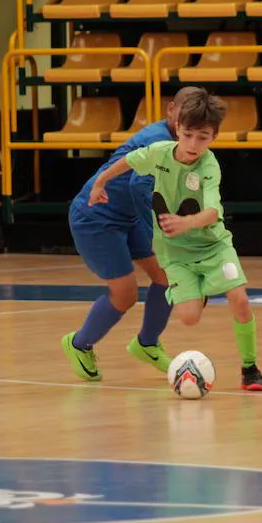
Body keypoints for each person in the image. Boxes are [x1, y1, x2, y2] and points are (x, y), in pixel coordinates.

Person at [88, 89, 262, 391]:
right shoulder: (159, 152)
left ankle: (250, 368)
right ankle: (197, 289)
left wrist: (187, 222)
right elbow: (127, 162)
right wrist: (99, 184)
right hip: (174, 253)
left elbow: (212, 212)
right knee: (188, 319)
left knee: (239, 299)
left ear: (213, 137)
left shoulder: (209, 166)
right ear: (177, 130)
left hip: (213, 246)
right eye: (187, 135)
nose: (193, 144)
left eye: (203, 137)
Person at [61, 87, 203, 382]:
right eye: (184, 117)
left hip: (130, 216)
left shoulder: (187, 146)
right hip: (96, 216)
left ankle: (146, 343)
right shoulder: (157, 142)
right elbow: (139, 190)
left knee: (166, 276)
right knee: (125, 294)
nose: (188, 125)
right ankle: (78, 344)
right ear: (171, 111)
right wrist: (165, 237)